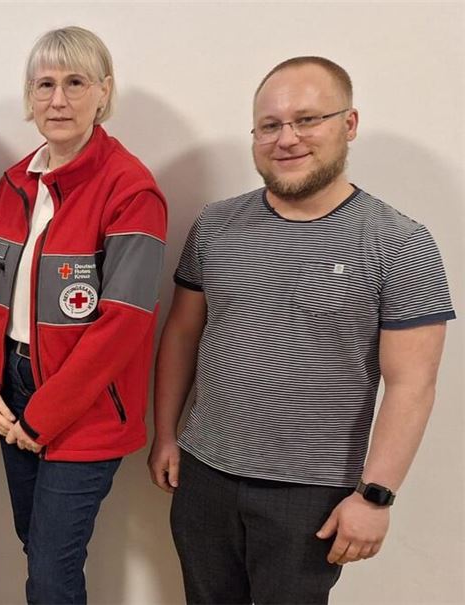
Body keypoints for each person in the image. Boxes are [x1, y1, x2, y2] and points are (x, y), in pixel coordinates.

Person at [148, 56, 456, 604]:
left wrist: (376, 496)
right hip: (203, 477)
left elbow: (413, 384)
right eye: (270, 125)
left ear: (349, 124)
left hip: (311, 495)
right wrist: (167, 434)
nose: (287, 138)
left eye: (308, 120)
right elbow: (181, 334)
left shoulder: (399, 242)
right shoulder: (215, 225)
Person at [0, 26, 168, 604]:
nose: (58, 100)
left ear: (103, 92)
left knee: (52, 568)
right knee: (36, 545)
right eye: (45, 85)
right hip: (13, 385)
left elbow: (122, 326)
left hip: (87, 405)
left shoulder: (132, 190)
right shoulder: (13, 184)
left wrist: (43, 417)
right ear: (29, 97)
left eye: (75, 83)